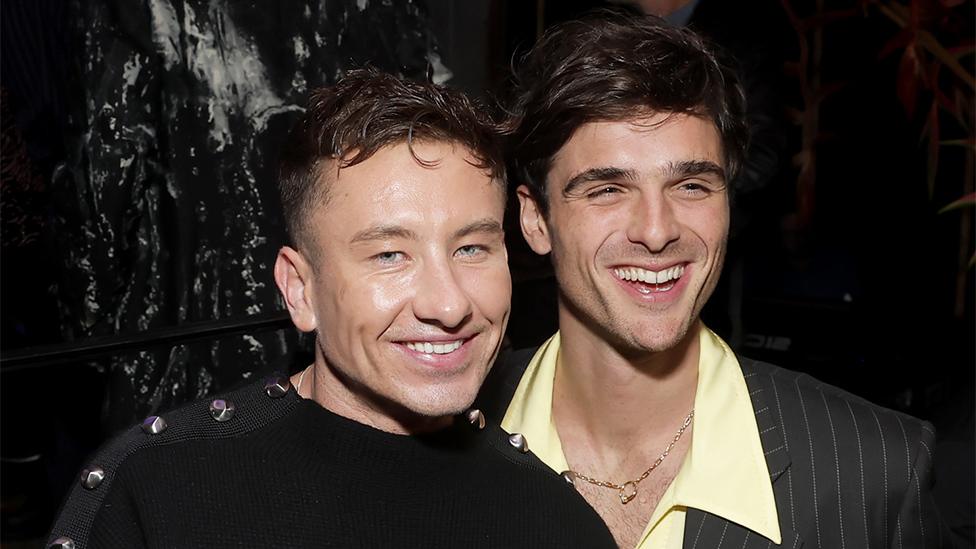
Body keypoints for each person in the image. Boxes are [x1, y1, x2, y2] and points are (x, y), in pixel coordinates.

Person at [45, 69, 615, 549]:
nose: (448, 303)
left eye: (472, 248)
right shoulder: (159, 490)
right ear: (300, 290)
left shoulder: (555, 523)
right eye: (390, 254)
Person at [479, 12, 958, 549]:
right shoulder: (436, 441)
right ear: (535, 220)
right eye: (608, 190)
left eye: (691, 186)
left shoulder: (875, 473)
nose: (657, 232)